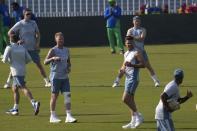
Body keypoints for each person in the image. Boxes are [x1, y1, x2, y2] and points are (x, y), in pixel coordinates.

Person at [5, 8, 51, 88]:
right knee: (16, 66)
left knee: (39, 65)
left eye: (30, 14)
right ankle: (8, 82)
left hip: (33, 48)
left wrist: (37, 44)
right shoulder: (20, 23)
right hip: (22, 49)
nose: (29, 16)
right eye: (27, 14)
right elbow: (10, 32)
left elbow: (38, 34)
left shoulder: (33, 23)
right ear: (24, 15)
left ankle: (47, 82)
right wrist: (17, 40)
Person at [112, 16, 160, 88]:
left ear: (140, 22)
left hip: (141, 51)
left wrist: (133, 37)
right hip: (132, 52)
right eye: (135, 21)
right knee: (124, 66)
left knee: (148, 66)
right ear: (133, 22)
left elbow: (142, 38)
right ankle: (116, 81)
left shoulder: (143, 29)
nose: (137, 22)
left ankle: (156, 81)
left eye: (138, 21)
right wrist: (132, 38)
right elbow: (128, 39)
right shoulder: (130, 30)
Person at [2, 33, 40, 116]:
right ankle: (15, 108)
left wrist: (12, 62)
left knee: (23, 87)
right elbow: (29, 59)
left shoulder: (9, 48)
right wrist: (21, 63)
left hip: (15, 72)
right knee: (14, 88)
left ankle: (34, 103)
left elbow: (4, 60)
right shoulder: (22, 47)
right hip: (22, 71)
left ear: (10, 40)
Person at [44, 32, 77, 123]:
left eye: (62, 39)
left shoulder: (67, 50)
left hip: (65, 77)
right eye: (59, 39)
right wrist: (53, 58)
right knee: (54, 96)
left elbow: (68, 62)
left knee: (67, 95)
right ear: (56, 40)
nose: (61, 41)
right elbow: (45, 62)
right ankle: (52, 116)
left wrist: (69, 68)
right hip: (55, 77)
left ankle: (69, 116)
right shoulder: (53, 50)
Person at [120, 36, 145, 129]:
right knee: (131, 100)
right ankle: (133, 121)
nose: (128, 44)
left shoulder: (136, 52)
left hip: (133, 79)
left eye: (130, 42)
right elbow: (124, 65)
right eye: (127, 43)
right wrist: (121, 70)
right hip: (127, 78)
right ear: (125, 43)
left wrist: (133, 65)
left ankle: (139, 116)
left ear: (133, 43)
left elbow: (143, 65)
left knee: (125, 99)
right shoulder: (126, 53)